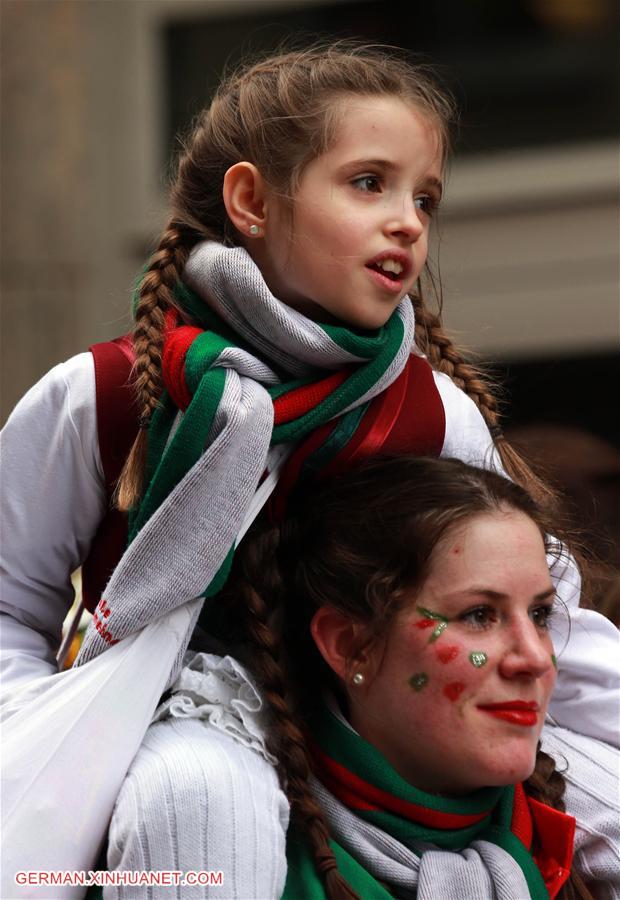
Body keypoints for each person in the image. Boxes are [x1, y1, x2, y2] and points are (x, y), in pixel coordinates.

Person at [1, 43, 617, 897]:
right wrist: (42, 754)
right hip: (176, 716)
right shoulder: (102, 393)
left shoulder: (436, 413)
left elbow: (550, 616)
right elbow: (6, 599)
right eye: (370, 183)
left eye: (424, 197)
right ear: (252, 200)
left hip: (374, 717)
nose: (408, 221)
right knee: (197, 803)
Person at [219, 455, 618, 899]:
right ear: (350, 646)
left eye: (540, 614)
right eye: (479, 615)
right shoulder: (231, 846)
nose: (536, 659)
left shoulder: (599, 825)